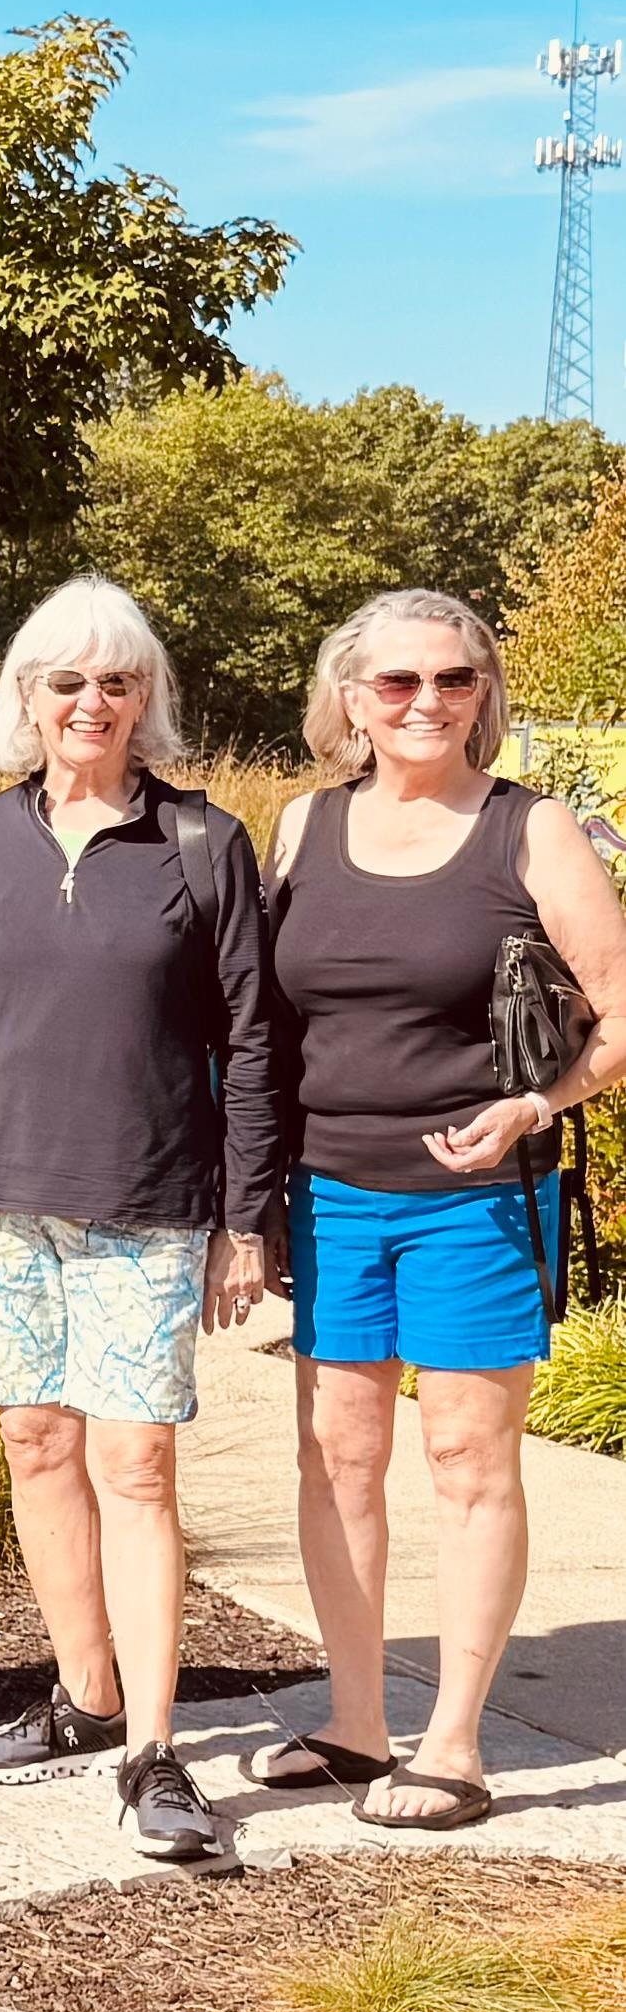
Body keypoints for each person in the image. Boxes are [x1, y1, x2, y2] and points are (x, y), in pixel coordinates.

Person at [0, 577, 277, 1862]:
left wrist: (244, 1216)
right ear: (25, 699)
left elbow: (253, 1041)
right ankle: (81, 1694)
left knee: (135, 1467)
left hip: (143, 1206)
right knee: (36, 1448)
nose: (90, 702)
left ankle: (154, 1754)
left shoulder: (205, 845)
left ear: (143, 699)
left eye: (115, 681)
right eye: (65, 681)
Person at [245, 592, 626, 1829]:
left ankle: (453, 1743)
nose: (426, 702)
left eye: (453, 679)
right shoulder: (302, 826)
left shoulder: (533, 830)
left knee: (467, 1460)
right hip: (327, 1191)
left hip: (476, 1198)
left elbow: (618, 1013)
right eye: (397, 682)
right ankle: (358, 1724)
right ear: (349, 700)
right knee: (337, 1459)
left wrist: (536, 1105)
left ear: (483, 693)